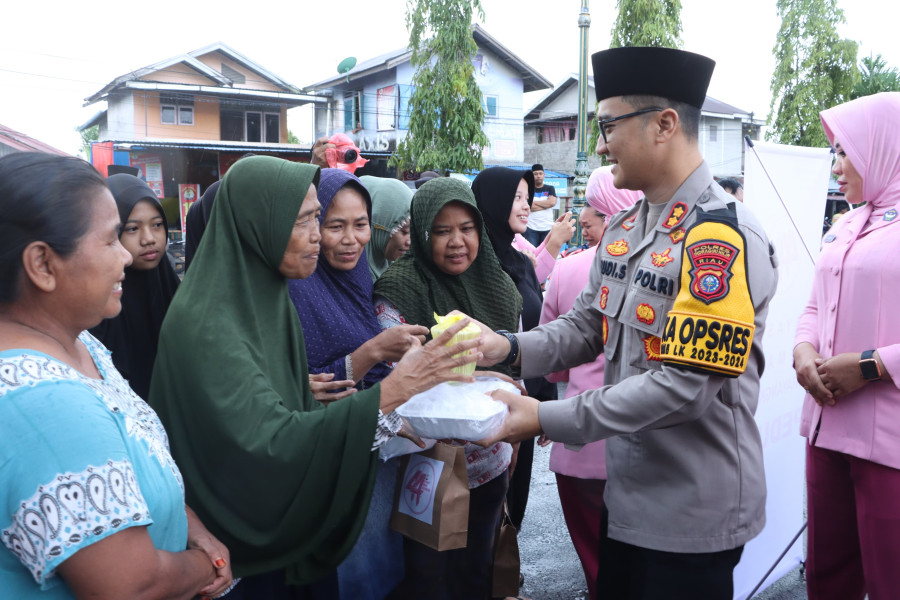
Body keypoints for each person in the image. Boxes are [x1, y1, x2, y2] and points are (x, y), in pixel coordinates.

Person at [470, 47, 779, 599]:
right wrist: (505, 348)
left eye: (610, 123)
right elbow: (586, 326)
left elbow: (685, 388)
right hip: (628, 497)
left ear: (664, 125)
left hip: (691, 515)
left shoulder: (719, 238)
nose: (601, 142)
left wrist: (542, 416)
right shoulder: (625, 228)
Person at [148, 156, 481, 599]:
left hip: (286, 520)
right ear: (257, 224)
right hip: (241, 537)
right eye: (306, 220)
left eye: (316, 218)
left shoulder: (268, 299)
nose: (317, 236)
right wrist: (395, 389)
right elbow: (268, 442)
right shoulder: (209, 320)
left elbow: (295, 407)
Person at [0, 152, 232, 599]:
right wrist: (205, 566)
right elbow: (130, 586)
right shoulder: (46, 405)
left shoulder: (80, 343)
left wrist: (192, 528)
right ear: (43, 265)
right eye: (111, 240)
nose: (127, 256)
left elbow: (127, 476)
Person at [373, 177, 520, 600]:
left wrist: (513, 444)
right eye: (441, 231)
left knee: (477, 572)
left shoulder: (499, 285)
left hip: (491, 459)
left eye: (466, 228)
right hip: (424, 463)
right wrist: (488, 379)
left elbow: (517, 367)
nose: (457, 242)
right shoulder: (398, 289)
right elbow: (400, 379)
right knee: (428, 578)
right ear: (421, 233)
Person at [287, 168, 428, 599]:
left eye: (361, 224)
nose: (351, 239)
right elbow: (313, 388)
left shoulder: (362, 277)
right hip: (334, 461)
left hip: (380, 451)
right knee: (352, 574)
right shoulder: (297, 289)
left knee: (385, 569)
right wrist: (373, 352)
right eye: (335, 225)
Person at [793, 91, 900, 600]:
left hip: (890, 443)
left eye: (844, 150)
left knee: (889, 579)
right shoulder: (846, 223)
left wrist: (870, 365)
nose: (836, 165)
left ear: (883, 146)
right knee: (827, 575)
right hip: (826, 425)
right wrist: (802, 350)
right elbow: (814, 305)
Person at [539, 166, 640, 600]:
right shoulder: (671, 263)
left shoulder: (568, 270)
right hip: (647, 442)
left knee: (597, 563)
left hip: (579, 441)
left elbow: (554, 369)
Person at [471, 167, 560, 533]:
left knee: (517, 496)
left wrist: (547, 393)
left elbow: (540, 328)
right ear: (492, 202)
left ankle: (507, 567)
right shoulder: (474, 263)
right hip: (490, 405)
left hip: (529, 398)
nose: (527, 207)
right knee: (487, 505)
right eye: (517, 198)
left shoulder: (523, 262)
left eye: (528, 198)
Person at [89, 174, 180, 401]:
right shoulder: (95, 307)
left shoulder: (175, 292)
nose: (149, 238)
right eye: (132, 229)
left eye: (157, 225)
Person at [359, 175, 413, 281]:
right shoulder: (353, 278)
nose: (410, 242)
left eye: (413, 232)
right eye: (405, 231)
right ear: (378, 224)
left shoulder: (399, 269)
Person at [523, 164, 557, 246]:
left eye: (540, 174)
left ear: (544, 175)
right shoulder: (528, 189)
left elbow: (552, 203)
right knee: (532, 254)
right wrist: (546, 204)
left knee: (545, 254)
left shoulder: (550, 188)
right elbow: (529, 207)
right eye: (535, 174)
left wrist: (534, 203)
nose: (538, 176)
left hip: (547, 227)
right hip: (531, 228)